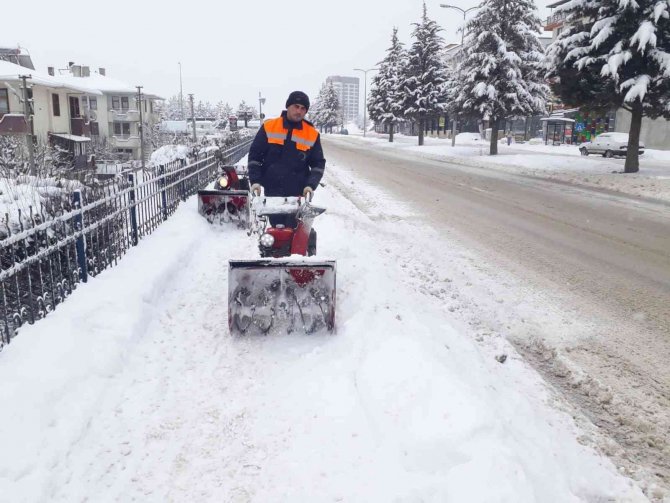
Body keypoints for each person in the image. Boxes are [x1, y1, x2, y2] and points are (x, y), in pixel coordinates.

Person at [248, 91, 326, 210]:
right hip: (272, 192)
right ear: (288, 106)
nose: (299, 111)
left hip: (299, 194)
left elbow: (318, 164)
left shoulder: (312, 134)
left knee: (296, 227)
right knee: (276, 227)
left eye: (303, 108)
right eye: (296, 106)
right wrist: (255, 181)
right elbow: (255, 156)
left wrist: (310, 185)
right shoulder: (269, 127)